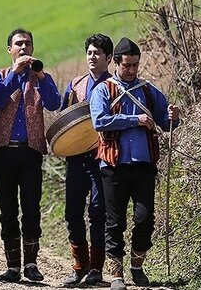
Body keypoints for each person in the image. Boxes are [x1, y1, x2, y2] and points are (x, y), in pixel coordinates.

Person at [90, 37, 180, 290]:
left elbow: (165, 121)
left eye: (135, 65)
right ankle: (116, 275)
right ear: (116, 63)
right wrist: (135, 119)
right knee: (115, 221)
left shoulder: (149, 90)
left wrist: (174, 116)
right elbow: (100, 121)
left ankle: (137, 266)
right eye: (127, 65)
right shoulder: (103, 90)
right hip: (113, 165)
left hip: (144, 164)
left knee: (145, 218)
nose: (131, 70)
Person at [0, 28, 61, 283]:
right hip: (3, 152)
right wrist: (15, 74)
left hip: (30, 152)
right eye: (18, 44)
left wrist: (40, 75)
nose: (23, 48)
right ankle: (12, 267)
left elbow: (54, 103)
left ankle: (31, 264)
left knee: (31, 209)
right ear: (9, 49)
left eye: (28, 44)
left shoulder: (41, 78)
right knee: (7, 211)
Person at [61, 34, 113, 286]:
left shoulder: (116, 85)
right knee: (72, 212)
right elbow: (64, 119)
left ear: (109, 58)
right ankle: (79, 265)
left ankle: (97, 269)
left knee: (98, 212)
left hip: (103, 160)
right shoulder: (75, 84)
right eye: (89, 52)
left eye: (98, 53)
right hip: (75, 159)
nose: (92, 57)